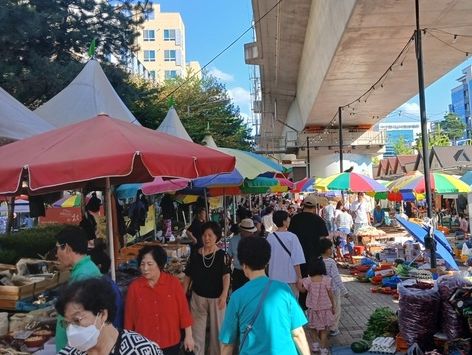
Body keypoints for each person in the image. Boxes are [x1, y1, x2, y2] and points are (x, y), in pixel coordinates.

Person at [219, 237, 310, 355]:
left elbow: (227, 344)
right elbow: (298, 333)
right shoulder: (283, 289)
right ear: (267, 262)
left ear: (243, 265)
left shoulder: (237, 297)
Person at [56, 278, 163, 355]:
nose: (71, 330)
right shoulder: (68, 352)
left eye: (77, 320)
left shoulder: (142, 350)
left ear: (102, 314)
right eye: (67, 323)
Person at [125, 245, 194, 355]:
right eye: (142, 264)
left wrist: (189, 336)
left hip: (170, 342)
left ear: (159, 264)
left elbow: (184, 312)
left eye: (149, 264)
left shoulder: (173, 283)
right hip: (144, 345)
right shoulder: (134, 288)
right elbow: (129, 319)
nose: (145, 268)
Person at [183, 222, 230, 355]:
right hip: (198, 298)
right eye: (204, 235)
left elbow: (226, 276)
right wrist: (183, 294)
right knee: (196, 332)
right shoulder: (195, 255)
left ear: (217, 237)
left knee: (218, 332)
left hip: (217, 299)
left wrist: (224, 294)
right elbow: (188, 275)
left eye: (210, 235)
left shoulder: (223, 255)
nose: (206, 238)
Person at [55, 226, 102, 351]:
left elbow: (81, 318)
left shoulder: (83, 276)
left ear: (67, 248)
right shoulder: (85, 269)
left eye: (58, 247)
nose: (56, 253)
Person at [288, 194, 329, 309]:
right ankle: (313, 308)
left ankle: (301, 308)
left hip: (297, 258)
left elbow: (291, 237)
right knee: (314, 284)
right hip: (314, 258)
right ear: (315, 207)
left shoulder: (295, 219)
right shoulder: (319, 220)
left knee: (300, 283)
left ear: (303, 205)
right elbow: (323, 240)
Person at [300, 257, 335, 355]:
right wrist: (333, 306)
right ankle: (323, 349)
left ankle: (315, 345)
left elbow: (303, 291)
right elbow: (330, 294)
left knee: (312, 327)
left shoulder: (308, 280)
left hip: (312, 308)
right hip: (325, 308)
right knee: (324, 329)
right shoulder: (327, 280)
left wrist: (299, 284)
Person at [266, 210, 305, 297]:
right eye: (288, 218)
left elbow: (267, 260)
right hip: (290, 278)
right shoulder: (292, 237)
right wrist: (299, 277)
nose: (289, 220)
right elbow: (296, 260)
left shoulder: (270, 238)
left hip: (274, 278)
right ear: (284, 221)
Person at [319, 238, 349, 337]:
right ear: (327, 249)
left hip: (322, 290)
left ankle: (324, 326)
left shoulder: (317, 260)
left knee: (325, 309)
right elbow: (336, 277)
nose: (332, 250)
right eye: (331, 248)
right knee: (336, 309)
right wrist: (344, 291)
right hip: (333, 290)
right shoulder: (331, 262)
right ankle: (333, 328)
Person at [227, 218, 257, 291]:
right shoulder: (233, 240)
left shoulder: (256, 242)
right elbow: (228, 258)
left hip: (252, 272)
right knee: (237, 296)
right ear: (242, 231)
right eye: (248, 232)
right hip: (238, 273)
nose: (251, 233)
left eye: (251, 232)